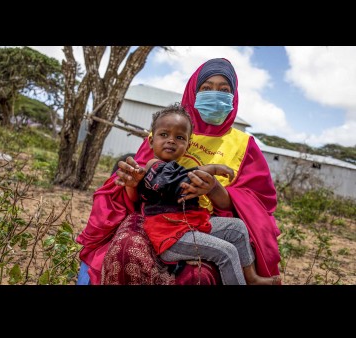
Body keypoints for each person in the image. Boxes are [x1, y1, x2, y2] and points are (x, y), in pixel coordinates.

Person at [76, 57, 281, 285]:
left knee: (205, 270)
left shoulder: (244, 145)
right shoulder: (169, 129)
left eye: (224, 90)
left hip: (203, 220)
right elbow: (140, 189)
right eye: (206, 88)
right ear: (194, 91)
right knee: (124, 251)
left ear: (234, 95)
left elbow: (256, 206)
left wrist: (214, 189)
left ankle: (249, 277)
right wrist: (130, 183)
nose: (215, 95)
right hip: (159, 222)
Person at [118, 103, 280, 285]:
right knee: (226, 252)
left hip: (188, 226)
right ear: (150, 141)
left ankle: (251, 278)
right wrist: (209, 169)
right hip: (171, 237)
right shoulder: (153, 166)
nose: (171, 140)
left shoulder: (176, 168)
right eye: (164, 135)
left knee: (237, 228)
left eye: (179, 137)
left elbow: (179, 176)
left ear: (187, 146)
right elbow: (174, 183)